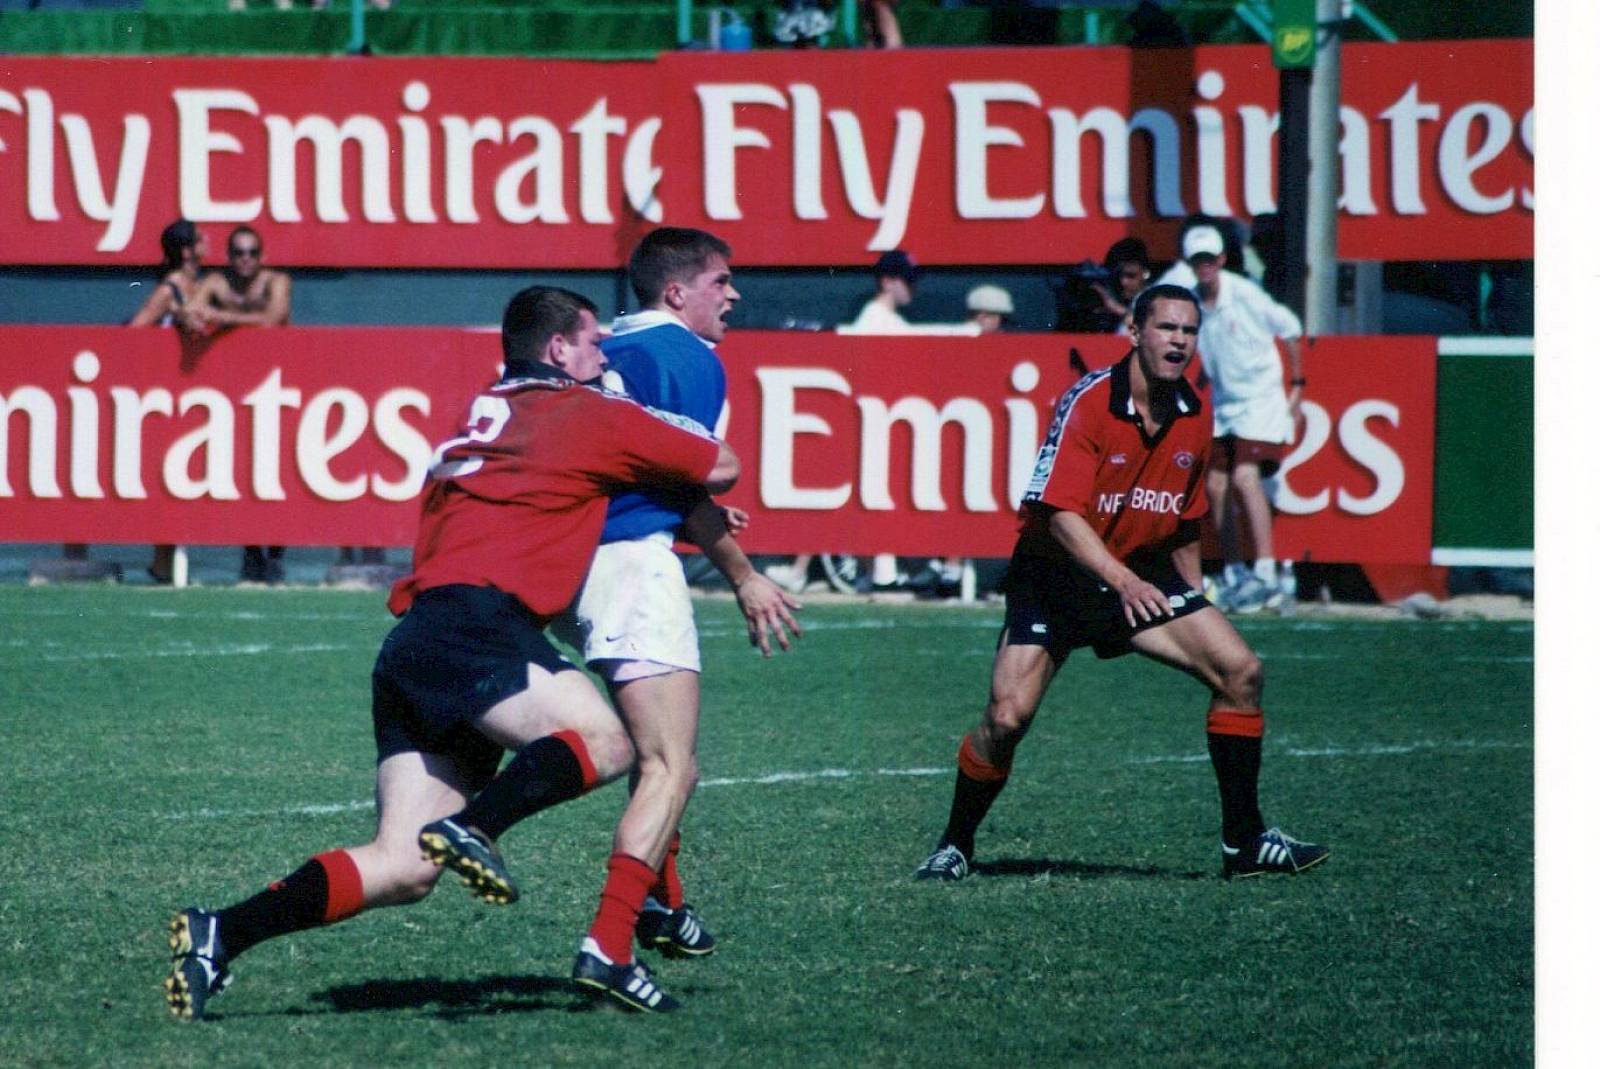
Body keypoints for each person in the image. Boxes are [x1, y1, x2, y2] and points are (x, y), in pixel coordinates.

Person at [163, 286, 739, 1021]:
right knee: (609, 741)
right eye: (594, 342)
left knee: (403, 865)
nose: (605, 357)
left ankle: (222, 932)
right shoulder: (587, 411)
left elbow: (542, 490)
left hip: (415, 644)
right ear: (558, 349)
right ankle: (479, 828)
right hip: (480, 626)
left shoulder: (484, 412)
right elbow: (719, 464)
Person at [912, 283, 1327, 883]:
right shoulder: (1088, 401)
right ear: (1134, 332)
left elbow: (1185, 521)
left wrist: (1195, 596)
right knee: (1005, 720)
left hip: (1138, 576)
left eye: (1189, 330)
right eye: (1166, 328)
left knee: (1240, 672)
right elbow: (1058, 513)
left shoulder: (1195, 412)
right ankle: (955, 844)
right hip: (1056, 577)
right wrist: (1123, 580)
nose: (1179, 341)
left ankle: (1244, 843)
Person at [549, 227, 802, 971]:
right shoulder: (687, 358)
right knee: (671, 764)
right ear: (675, 291)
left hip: (564, 567)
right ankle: (610, 941)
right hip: (630, 568)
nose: (734, 295)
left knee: (651, 749)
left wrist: (695, 515)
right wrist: (744, 575)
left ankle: (666, 903)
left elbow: (634, 469)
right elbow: (690, 476)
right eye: (720, 281)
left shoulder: (603, 345)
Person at [1180, 224, 1305, 613]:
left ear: (1221, 259)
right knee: (1215, 485)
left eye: (1209, 259)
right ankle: (1235, 572)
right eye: (1197, 260)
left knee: (1245, 478)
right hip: (1224, 403)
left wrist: (1297, 384)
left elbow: (1289, 328)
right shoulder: (1192, 303)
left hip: (1260, 399)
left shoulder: (1245, 293)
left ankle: (1266, 571)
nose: (1204, 266)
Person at [192, 225, 295, 583]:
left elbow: (272, 319)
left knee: (279, 472)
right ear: (229, 256)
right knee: (243, 469)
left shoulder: (276, 281)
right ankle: (251, 553)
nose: (245, 260)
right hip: (236, 387)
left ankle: (276, 555)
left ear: (262, 256)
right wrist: (197, 315)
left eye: (252, 253)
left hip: (280, 386)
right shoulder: (218, 283)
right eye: (238, 253)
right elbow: (193, 308)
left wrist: (222, 318)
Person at [128, 218, 212, 584]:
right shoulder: (170, 290)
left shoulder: (203, 285)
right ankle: (162, 561)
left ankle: (167, 563)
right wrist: (174, 318)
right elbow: (134, 331)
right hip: (163, 396)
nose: (208, 242)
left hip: (195, 395)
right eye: (200, 238)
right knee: (166, 474)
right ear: (187, 250)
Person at [1055, 238, 1151, 334]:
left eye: (1131, 276)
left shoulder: (1152, 298)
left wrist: (1116, 308)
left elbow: (1150, 327)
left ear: (1145, 273)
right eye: (1118, 276)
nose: (1123, 282)